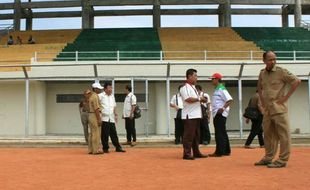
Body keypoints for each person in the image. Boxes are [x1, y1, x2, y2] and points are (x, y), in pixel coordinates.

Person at [255, 51, 300, 168]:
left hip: (279, 109)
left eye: (274, 59)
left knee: (283, 135)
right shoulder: (262, 73)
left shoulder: (281, 71)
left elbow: (296, 81)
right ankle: (268, 157)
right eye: (270, 59)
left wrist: (285, 98)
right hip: (268, 110)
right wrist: (262, 101)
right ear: (264, 61)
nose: (273, 61)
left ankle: (282, 160)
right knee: (268, 135)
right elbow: (259, 87)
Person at [179, 68, 208, 160]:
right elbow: (188, 99)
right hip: (189, 115)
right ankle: (186, 153)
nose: (196, 78)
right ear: (189, 76)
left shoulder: (194, 88)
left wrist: (201, 98)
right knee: (188, 136)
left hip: (196, 114)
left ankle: (196, 152)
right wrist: (200, 99)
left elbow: (195, 99)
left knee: (196, 135)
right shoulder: (185, 87)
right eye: (195, 76)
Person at [209, 73, 233, 157]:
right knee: (222, 132)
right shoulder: (217, 89)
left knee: (219, 133)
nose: (212, 81)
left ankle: (219, 152)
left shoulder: (222, 89)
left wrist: (222, 109)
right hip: (217, 114)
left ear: (216, 79)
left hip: (220, 114)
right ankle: (226, 150)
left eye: (212, 79)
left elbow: (229, 100)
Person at [99, 82, 125, 153]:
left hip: (111, 117)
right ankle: (105, 148)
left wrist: (116, 115)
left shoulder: (112, 96)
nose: (111, 89)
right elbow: (97, 107)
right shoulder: (100, 96)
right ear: (105, 89)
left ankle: (118, 147)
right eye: (109, 88)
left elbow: (114, 106)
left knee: (114, 133)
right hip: (104, 118)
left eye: (111, 88)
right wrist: (99, 116)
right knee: (105, 134)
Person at [87, 83, 103, 155]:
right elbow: (96, 109)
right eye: (99, 88)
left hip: (91, 115)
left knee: (91, 133)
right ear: (95, 89)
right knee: (96, 133)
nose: (100, 89)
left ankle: (90, 149)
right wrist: (99, 119)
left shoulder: (91, 96)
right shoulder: (95, 96)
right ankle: (95, 150)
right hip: (94, 115)